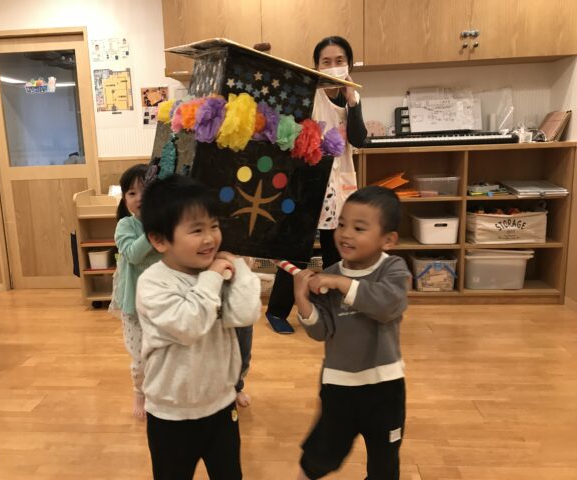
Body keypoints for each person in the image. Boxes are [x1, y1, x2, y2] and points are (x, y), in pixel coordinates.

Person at [136, 174, 261, 479]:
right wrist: (214, 276)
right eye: (196, 230)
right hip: (171, 415)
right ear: (160, 240)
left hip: (221, 405)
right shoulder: (153, 283)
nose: (210, 238)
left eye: (214, 226)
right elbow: (189, 325)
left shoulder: (218, 271)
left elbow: (245, 313)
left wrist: (237, 265)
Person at [292, 186, 410, 480]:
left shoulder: (393, 268)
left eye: (359, 228)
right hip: (339, 385)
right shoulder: (331, 272)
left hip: (385, 386)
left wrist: (341, 284)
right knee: (321, 455)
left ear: (388, 239)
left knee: (385, 462)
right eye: (341, 224)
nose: (345, 234)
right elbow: (322, 331)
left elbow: (387, 305)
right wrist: (303, 301)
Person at [266, 35, 368, 334]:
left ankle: (331, 309)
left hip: (341, 183)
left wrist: (352, 101)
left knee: (337, 250)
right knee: (296, 250)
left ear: (349, 65)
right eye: (326, 61)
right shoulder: (309, 95)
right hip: (308, 184)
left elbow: (359, 139)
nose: (333, 66)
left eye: (339, 61)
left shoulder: (353, 98)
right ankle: (277, 311)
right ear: (316, 66)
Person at [109, 164, 161, 419]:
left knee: (162, 353)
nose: (139, 197)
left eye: (146, 191)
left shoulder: (167, 223)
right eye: (132, 193)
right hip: (133, 306)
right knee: (140, 359)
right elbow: (132, 253)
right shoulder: (125, 226)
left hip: (162, 303)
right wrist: (154, 230)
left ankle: (159, 391)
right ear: (124, 199)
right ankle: (139, 392)